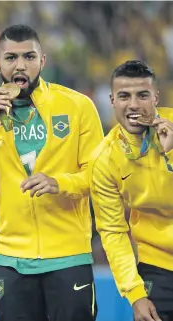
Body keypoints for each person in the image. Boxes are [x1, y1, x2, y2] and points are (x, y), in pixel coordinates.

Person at [0, 24, 104, 321]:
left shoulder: (78, 106)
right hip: (12, 259)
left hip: (69, 256)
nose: (21, 65)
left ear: (43, 61)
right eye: (11, 58)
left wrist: (59, 182)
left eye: (29, 56)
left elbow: (101, 177)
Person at [89, 60, 173, 321]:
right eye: (124, 96)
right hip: (157, 265)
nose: (134, 105)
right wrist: (135, 294)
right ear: (112, 100)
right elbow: (114, 232)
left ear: (155, 98)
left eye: (143, 95)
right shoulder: (104, 159)